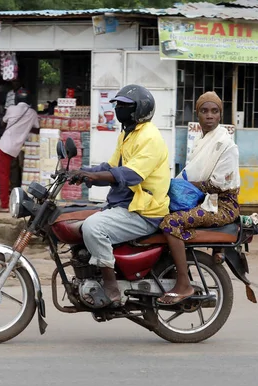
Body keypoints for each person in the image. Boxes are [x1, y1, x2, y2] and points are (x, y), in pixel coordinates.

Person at [70, 84, 171, 306]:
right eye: (118, 105)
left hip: (144, 210)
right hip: (127, 204)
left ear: (140, 109)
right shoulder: (128, 134)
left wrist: (95, 178)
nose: (119, 110)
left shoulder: (150, 138)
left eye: (125, 106)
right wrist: (81, 172)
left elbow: (131, 174)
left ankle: (111, 286)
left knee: (93, 227)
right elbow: (111, 165)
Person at [157, 91, 241, 305]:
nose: (209, 116)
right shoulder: (202, 141)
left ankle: (184, 283)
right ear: (197, 114)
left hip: (221, 206)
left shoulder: (226, 144)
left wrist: (181, 186)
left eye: (214, 111)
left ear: (220, 115)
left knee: (171, 223)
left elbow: (217, 184)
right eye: (204, 111)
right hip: (203, 199)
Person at [0, 88, 39, 213]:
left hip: (4, 146)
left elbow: (2, 122)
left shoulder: (11, 109)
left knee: (3, 174)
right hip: (15, 148)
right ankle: (5, 192)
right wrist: (25, 127)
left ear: (16, 99)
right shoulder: (33, 113)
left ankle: (4, 204)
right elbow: (37, 129)